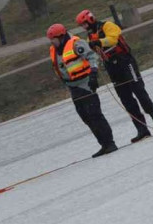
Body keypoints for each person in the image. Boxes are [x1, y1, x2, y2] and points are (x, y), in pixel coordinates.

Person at [76, 9, 153, 143]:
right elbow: (94, 52)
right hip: (112, 67)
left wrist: (99, 42)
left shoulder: (107, 26)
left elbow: (113, 39)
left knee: (139, 91)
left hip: (125, 62)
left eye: (84, 24)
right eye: (81, 25)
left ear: (90, 20)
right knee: (126, 99)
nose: (84, 27)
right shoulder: (90, 36)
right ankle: (142, 129)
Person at [47, 23, 118, 157]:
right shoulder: (54, 50)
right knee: (85, 117)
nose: (52, 42)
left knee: (95, 114)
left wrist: (93, 74)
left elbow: (92, 56)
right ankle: (103, 144)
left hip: (85, 84)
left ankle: (110, 143)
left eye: (53, 39)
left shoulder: (76, 43)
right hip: (73, 87)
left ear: (61, 37)